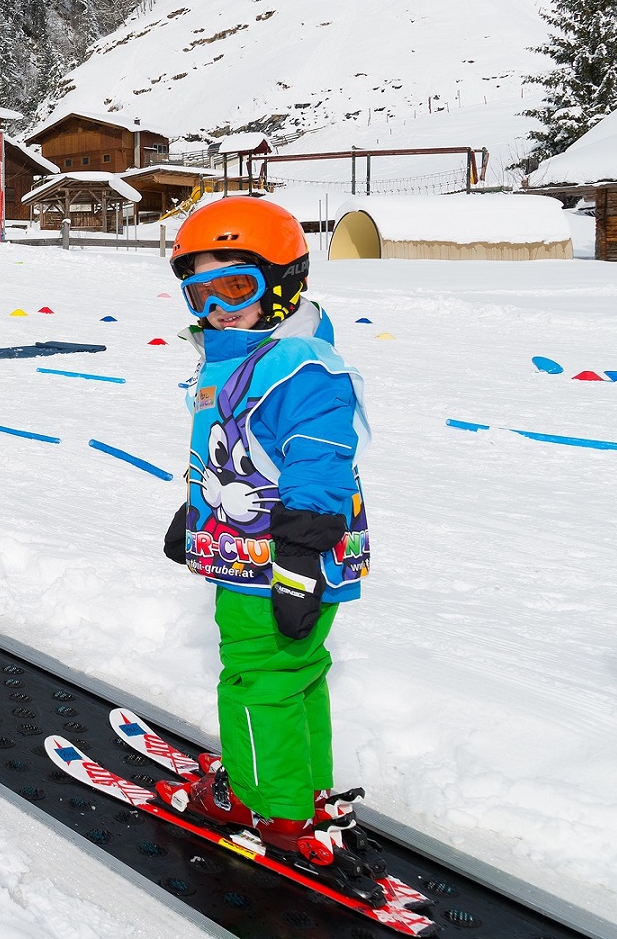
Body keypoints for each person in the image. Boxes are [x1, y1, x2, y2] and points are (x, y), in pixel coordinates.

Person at [156, 196, 380, 897]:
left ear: (283, 282)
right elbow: (240, 456)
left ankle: (267, 807)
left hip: (279, 560)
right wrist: (193, 516)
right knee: (297, 671)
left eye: (235, 286)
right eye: (199, 290)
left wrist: (299, 558)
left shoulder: (298, 366)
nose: (216, 306)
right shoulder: (245, 356)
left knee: (255, 678)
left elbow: (316, 458)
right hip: (255, 548)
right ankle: (299, 789)